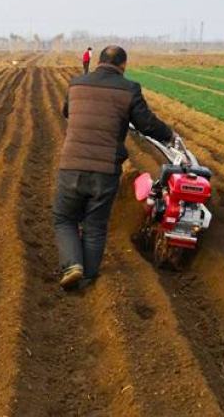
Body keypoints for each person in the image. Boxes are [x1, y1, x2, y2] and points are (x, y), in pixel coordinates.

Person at [56, 45, 176, 289]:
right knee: (95, 224)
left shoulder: (77, 84)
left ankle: (72, 265)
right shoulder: (129, 89)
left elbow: (67, 111)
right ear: (123, 66)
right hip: (105, 170)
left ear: (99, 61)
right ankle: (88, 276)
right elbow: (147, 125)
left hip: (72, 164)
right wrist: (169, 135)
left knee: (65, 218)